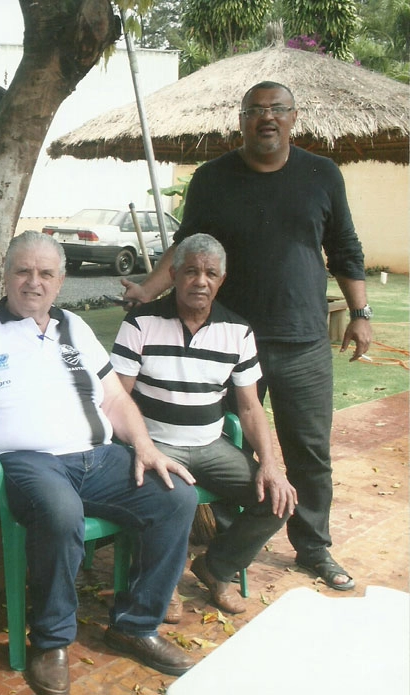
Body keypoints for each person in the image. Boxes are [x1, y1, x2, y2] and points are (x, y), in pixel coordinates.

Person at [0, 231, 198, 695]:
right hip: (14, 462)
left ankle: (135, 625)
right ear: (6, 276)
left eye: (45, 273)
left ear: (61, 280)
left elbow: (114, 399)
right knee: (60, 509)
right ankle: (51, 642)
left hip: (95, 456)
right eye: (23, 271)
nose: (34, 282)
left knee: (176, 496)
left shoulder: (76, 328)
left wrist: (145, 448)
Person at [122, 81, 371, 592]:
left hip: (302, 340)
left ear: (293, 117)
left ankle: (313, 546)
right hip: (228, 342)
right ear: (240, 120)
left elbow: (345, 246)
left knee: (308, 450)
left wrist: (361, 311)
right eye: (256, 110)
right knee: (230, 448)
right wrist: (149, 288)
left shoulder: (322, 174)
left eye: (277, 109)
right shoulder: (213, 179)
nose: (267, 118)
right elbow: (186, 246)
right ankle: (230, 546)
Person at [111, 233, 298, 619]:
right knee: (167, 499)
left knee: (278, 499)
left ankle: (216, 568)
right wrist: (140, 445)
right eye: (192, 271)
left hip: (211, 446)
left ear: (221, 281)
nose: (201, 281)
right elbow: (118, 396)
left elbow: (249, 408)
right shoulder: (141, 322)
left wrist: (270, 464)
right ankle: (161, 581)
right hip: (156, 445)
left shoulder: (238, 331)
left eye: (210, 273)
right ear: (175, 274)